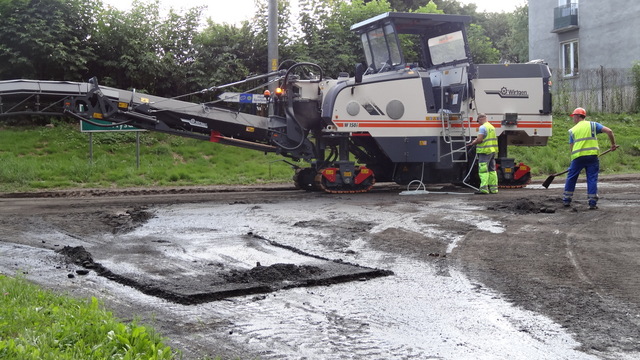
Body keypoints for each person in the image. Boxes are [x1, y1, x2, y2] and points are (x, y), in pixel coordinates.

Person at [563, 107, 618, 210]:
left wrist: (573, 160)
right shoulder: (593, 125)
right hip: (592, 157)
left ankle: (566, 200)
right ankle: (592, 203)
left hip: (577, 158)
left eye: (573, 116)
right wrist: (613, 144)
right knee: (592, 178)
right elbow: (609, 131)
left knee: (571, 177)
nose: (573, 119)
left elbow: (571, 146)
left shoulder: (573, 130)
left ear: (577, 116)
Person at [466, 113, 498, 194]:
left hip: (484, 151)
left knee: (483, 170)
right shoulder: (491, 127)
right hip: (492, 150)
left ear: (481, 119)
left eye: (478, 121)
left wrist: (473, 142)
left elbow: (480, 140)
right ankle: (494, 189)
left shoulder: (482, 127)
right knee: (492, 170)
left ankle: (484, 189)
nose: (478, 123)